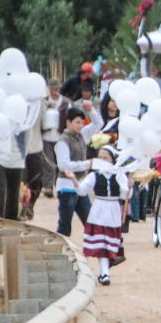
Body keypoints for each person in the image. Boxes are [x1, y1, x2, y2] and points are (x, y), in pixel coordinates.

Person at [77, 145, 128, 286]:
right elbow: (82, 191)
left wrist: (127, 185)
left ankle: (105, 271)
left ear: (112, 159)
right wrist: (73, 180)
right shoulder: (94, 175)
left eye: (106, 158)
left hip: (113, 212)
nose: (103, 160)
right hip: (98, 211)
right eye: (100, 158)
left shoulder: (120, 175)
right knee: (101, 244)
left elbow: (124, 196)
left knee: (108, 244)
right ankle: (104, 273)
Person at [55, 103, 103, 235]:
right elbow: (63, 165)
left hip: (80, 186)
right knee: (65, 224)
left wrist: (91, 110)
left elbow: (98, 124)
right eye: (77, 122)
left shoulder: (81, 135)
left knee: (90, 219)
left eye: (82, 122)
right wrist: (87, 164)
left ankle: (95, 245)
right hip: (66, 187)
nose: (80, 125)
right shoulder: (62, 141)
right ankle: (61, 246)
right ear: (68, 122)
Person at [40, 78, 68, 198]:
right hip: (47, 136)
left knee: (60, 163)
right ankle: (48, 187)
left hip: (61, 137)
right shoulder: (44, 101)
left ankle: (60, 186)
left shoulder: (65, 103)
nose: (54, 92)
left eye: (56, 89)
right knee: (48, 162)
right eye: (52, 90)